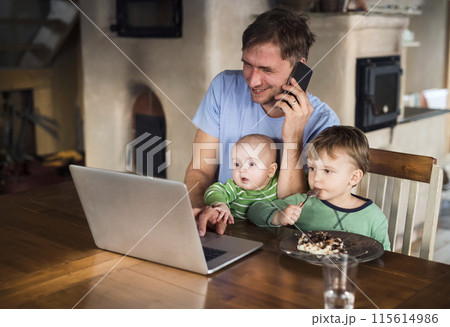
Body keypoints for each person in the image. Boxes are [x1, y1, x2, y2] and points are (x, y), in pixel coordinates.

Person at [184, 7, 340, 237]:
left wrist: (294, 136)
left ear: (299, 66)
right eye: (248, 64)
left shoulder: (324, 122)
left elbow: (296, 209)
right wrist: (200, 209)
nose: (253, 80)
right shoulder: (223, 87)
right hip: (223, 229)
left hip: (279, 241)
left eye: (266, 69)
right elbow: (200, 169)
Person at [247, 125, 391, 250]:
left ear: (354, 177)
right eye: (312, 168)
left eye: (327, 171)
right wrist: (278, 217)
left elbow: (385, 260)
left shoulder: (374, 219)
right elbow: (255, 210)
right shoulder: (301, 202)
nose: (316, 178)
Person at [203, 134, 278, 223]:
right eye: (237, 164)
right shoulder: (235, 187)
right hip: (236, 231)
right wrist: (221, 204)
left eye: (251, 164)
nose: (242, 170)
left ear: (271, 171)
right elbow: (212, 191)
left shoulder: (278, 184)